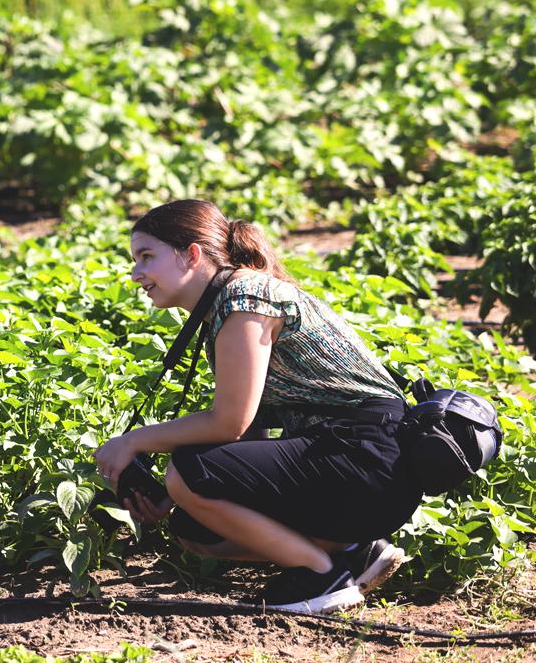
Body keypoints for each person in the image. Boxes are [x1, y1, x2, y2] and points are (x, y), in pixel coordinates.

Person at [94, 199, 419, 613]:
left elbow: (230, 422)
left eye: (146, 256)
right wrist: (175, 499)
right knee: (195, 529)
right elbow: (248, 435)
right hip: (354, 463)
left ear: (191, 254)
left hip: (367, 455)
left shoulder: (245, 296)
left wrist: (134, 442)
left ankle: (321, 576)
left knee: (190, 471)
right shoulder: (225, 306)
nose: (136, 273)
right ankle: (355, 552)